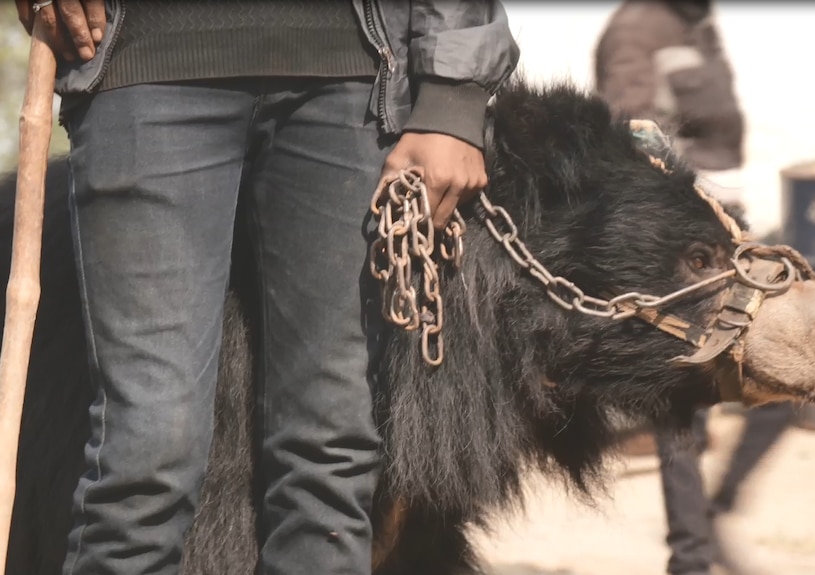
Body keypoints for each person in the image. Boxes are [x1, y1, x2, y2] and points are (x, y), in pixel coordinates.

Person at [15, 1, 520, 574]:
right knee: (143, 460)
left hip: (355, 79)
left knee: (328, 463)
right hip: (140, 64)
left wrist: (455, 91)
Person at [594, 2, 794, 575]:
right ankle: (692, 557)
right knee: (686, 405)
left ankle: (715, 511)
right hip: (690, 240)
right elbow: (629, 138)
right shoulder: (638, 27)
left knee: (797, 365)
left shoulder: (696, 26)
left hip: (733, 225)